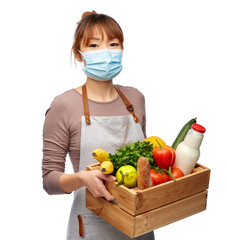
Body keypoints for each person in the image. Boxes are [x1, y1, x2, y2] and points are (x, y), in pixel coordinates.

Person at [42, 11, 155, 239]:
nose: (106, 52)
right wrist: (82, 178)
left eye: (113, 44)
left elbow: (146, 162)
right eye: (94, 45)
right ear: (78, 54)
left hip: (140, 226)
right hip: (91, 228)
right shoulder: (64, 105)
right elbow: (49, 180)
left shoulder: (136, 98)